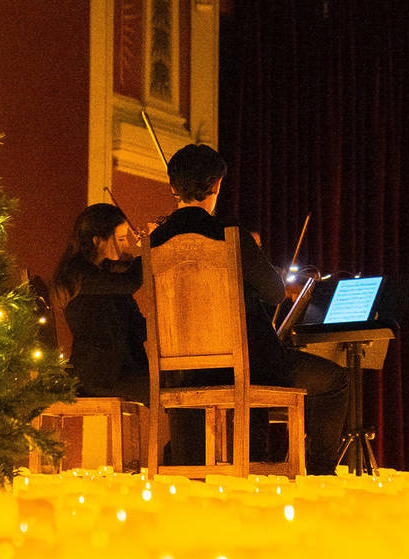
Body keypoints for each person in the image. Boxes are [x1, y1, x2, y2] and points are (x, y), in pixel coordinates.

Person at [149, 144, 349, 475]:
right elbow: (273, 292)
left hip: (182, 370)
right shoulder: (230, 236)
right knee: (335, 381)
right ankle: (316, 474)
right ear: (215, 185)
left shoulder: (155, 241)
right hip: (249, 363)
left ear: (173, 187)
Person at [53, 203, 149, 404]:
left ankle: (186, 437)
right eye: (121, 239)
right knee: (173, 391)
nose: (126, 247)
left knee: (182, 383)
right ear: (98, 241)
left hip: (117, 369)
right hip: (99, 374)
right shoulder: (78, 274)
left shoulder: (104, 276)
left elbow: (135, 327)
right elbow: (130, 283)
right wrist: (149, 251)